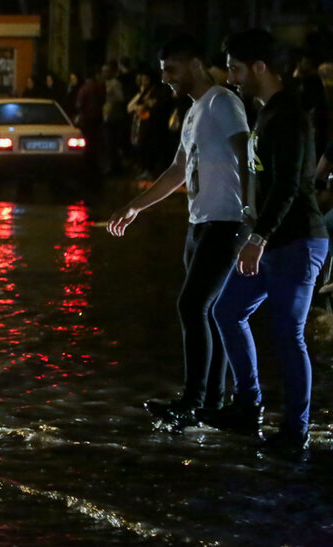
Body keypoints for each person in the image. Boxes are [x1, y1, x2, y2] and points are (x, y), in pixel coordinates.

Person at [108, 34, 250, 429]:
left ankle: (195, 399)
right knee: (210, 310)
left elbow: (245, 153)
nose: (166, 79)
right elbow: (177, 170)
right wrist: (134, 206)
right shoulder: (193, 112)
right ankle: (210, 402)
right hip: (200, 222)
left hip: (227, 220)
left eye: (171, 70)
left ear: (195, 65)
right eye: (163, 71)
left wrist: (252, 216)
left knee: (193, 305)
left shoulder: (223, 102)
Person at [208, 29, 327, 456]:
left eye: (237, 69)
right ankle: (248, 406)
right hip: (273, 239)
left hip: (297, 242)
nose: (232, 78)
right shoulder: (267, 112)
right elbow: (265, 180)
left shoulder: (290, 114)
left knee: (287, 333)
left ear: (260, 67)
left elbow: (291, 186)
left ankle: (296, 433)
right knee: (227, 309)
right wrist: (251, 223)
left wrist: (258, 236)